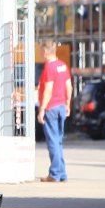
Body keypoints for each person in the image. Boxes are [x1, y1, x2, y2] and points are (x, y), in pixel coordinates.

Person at [37, 47, 72, 182]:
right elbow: (69, 86)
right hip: (61, 106)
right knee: (58, 141)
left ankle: (55, 174)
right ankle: (62, 173)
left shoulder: (49, 67)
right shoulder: (63, 66)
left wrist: (42, 109)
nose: (41, 54)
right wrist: (68, 104)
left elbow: (48, 89)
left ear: (46, 52)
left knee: (53, 142)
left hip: (51, 107)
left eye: (42, 52)